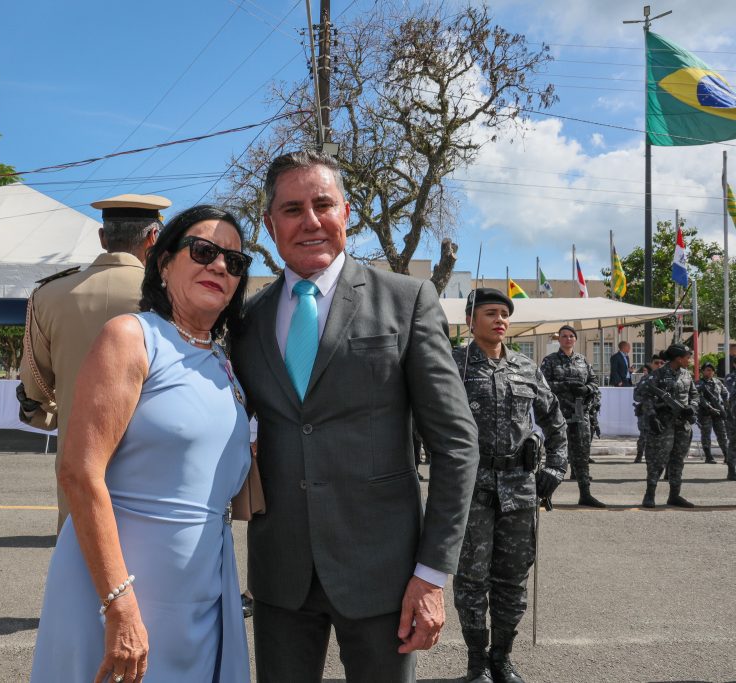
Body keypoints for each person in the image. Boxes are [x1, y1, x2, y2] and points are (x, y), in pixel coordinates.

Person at [232, 150, 480, 682]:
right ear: (270, 223)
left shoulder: (406, 300)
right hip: (280, 576)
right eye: (293, 208)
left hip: (385, 575)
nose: (311, 221)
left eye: (324, 204)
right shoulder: (247, 320)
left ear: (347, 211)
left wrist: (433, 574)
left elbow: (456, 444)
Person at [30, 206, 253, 683]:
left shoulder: (222, 362)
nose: (220, 266)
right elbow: (79, 472)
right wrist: (119, 605)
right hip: (120, 600)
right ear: (164, 261)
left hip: (202, 599)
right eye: (204, 251)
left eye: (234, 261)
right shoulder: (130, 336)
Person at [18, 193, 169, 532]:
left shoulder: (49, 296)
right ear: (153, 237)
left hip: (79, 466)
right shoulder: (171, 295)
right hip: (156, 471)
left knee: (81, 568)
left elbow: (34, 390)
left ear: (103, 238)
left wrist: (58, 410)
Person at [453, 288, 568, 683]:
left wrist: (555, 468)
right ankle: (476, 662)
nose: (500, 319)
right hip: (470, 489)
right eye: (491, 312)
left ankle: (502, 657)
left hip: (520, 489)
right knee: (471, 578)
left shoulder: (525, 367)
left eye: (505, 313)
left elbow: (554, 422)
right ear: (471, 320)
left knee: (512, 576)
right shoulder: (454, 365)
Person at [540, 326, 606, 508]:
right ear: (559, 339)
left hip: (580, 414)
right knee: (555, 456)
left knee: (582, 456)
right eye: (564, 336)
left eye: (571, 336)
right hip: (558, 415)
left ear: (575, 339)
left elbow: (594, 381)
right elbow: (542, 385)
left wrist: (587, 389)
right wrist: (564, 385)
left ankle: (585, 494)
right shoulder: (550, 361)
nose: (568, 339)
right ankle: (545, 495)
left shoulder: (582, 360)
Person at [634, 344, 699, 508]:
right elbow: (640, 394)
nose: (689, 360)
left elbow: (694, 394)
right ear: (678, 358)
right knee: (657, 460)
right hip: (663, 425)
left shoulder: (686, 375)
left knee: (678, 460)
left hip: (682, 425)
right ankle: (650, 495)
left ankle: (674, 495)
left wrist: (692, 406)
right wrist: (651, 415)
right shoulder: (658, 375)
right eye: (687, 356)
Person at [634, 356, 665, 464]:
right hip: (647, 411)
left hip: (662, 412)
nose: (659, 365)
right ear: (651, 364)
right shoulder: (645, 379)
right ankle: (639, 454)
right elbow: (636, 396)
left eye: (662, 362)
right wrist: (648, 400)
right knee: (644, 434)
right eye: (656, 363)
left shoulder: (667, 378)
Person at [696, 362, 728, 464]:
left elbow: (725, 393)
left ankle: (727, 455)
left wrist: (725, 404)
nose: (710, 372)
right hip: (706, 413)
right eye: (708, 370)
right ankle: (708, 456)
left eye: (712, 370)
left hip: (718, 412)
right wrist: (708, 406)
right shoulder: (698, 383)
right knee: (706, 435)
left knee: (722, 434)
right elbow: (698, 397)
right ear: (703, 371)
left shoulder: (718, 382)